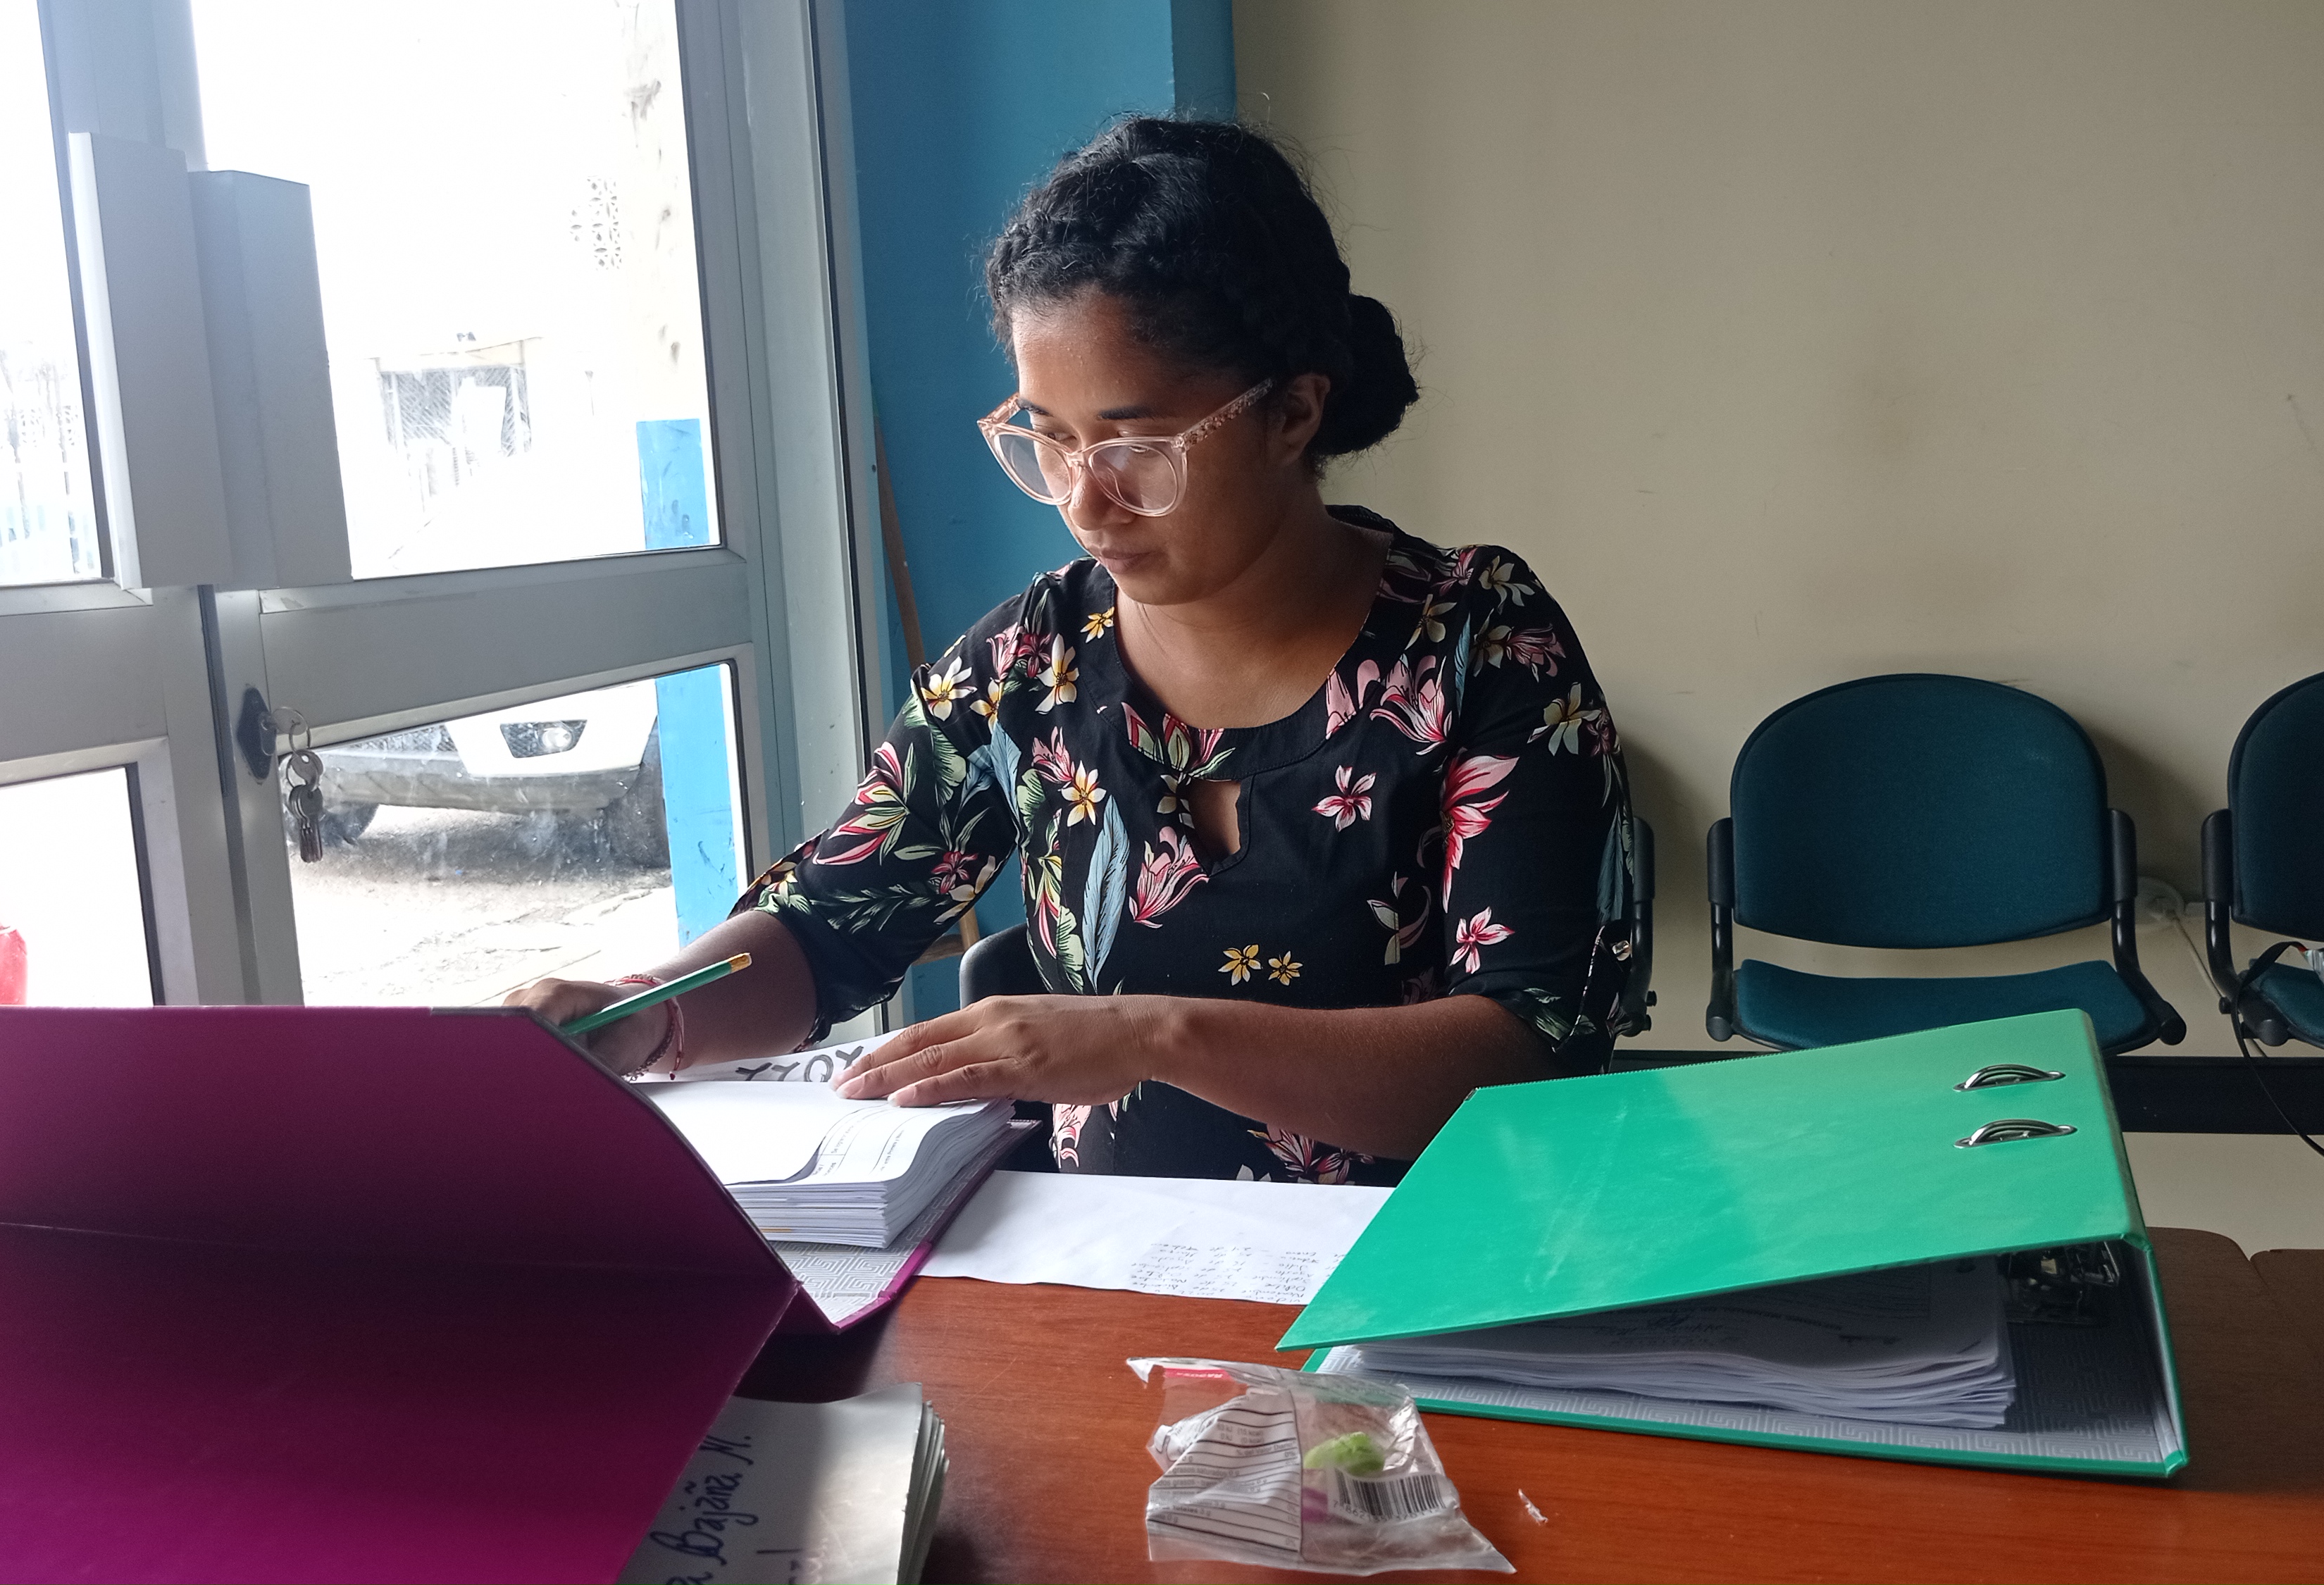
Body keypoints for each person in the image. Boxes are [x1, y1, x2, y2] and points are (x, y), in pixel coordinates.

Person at [510, 118, 1641, 1184]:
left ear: (1294, 413)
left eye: (1136, 445)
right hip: (1112, 1272)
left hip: (1432, 1274)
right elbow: (830, 922)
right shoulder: (1030, 665)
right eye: (1048, 440)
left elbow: (1532, 1049)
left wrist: (1153, 1035)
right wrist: (646, 1009)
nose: (1086, 503)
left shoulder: (1479, 644)